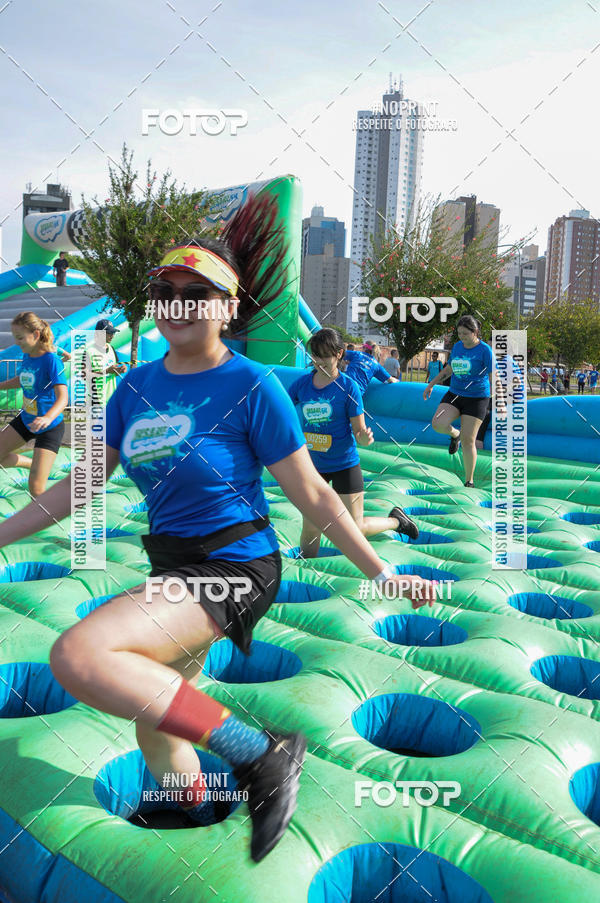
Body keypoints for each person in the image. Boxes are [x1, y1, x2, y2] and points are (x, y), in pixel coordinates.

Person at [0, 196, 434, 863]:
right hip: (174, 567)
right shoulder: (134, 388)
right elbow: (79, 486)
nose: (176, 302)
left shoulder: (252, 385)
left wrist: (382, 571)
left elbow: (313, 492)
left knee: (80, 656)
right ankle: (192, 810)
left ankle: (261, 754)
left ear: (229, 306)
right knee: (157, 710)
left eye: (196, 291)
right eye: (164, 291)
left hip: (235, 567)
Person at [288, 328, 419, 556]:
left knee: (354, 527)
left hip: (343, 464)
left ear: (339, 354)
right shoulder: (302, 385)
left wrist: (364, 438)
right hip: (313, 466)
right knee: (310, 527)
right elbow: (283, 409)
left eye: (323, 356)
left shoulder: (349, 388)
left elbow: (359, 430)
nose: (317, 361)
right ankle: (308, 572)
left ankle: (396, 521)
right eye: (314, 355)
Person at [423, 315, 502, 488]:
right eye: (459, 333)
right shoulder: (458, 347)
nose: (462, 337)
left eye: (465, 334)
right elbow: (449, 369)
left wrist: (499, 400)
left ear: (475, 332)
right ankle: (454, 434)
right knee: (437, 423)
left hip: (477, 398)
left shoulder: (485, 350)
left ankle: (469, 480)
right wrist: (431, 384)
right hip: (455, 394)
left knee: (469, 441)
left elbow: (493, 377)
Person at [0, 312, 68, 496]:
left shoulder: (51, 360)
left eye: (20, 338)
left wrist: (47, 417)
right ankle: (30, 463)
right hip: (26, 419)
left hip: (49, 427)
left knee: (36, 489)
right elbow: (22, 379)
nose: (17, 342)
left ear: (36, 335)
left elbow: (63, 397)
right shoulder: (28, 355)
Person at [86, 319, 128, 406]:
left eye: (113, 333)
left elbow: (113, 373)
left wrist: (119, 370)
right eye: (109, 333)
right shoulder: (89, 352)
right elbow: (85, 376)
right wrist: (106, 371)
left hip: (111, 400)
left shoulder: (111, 348)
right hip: (95, 401)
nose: (112, 336)